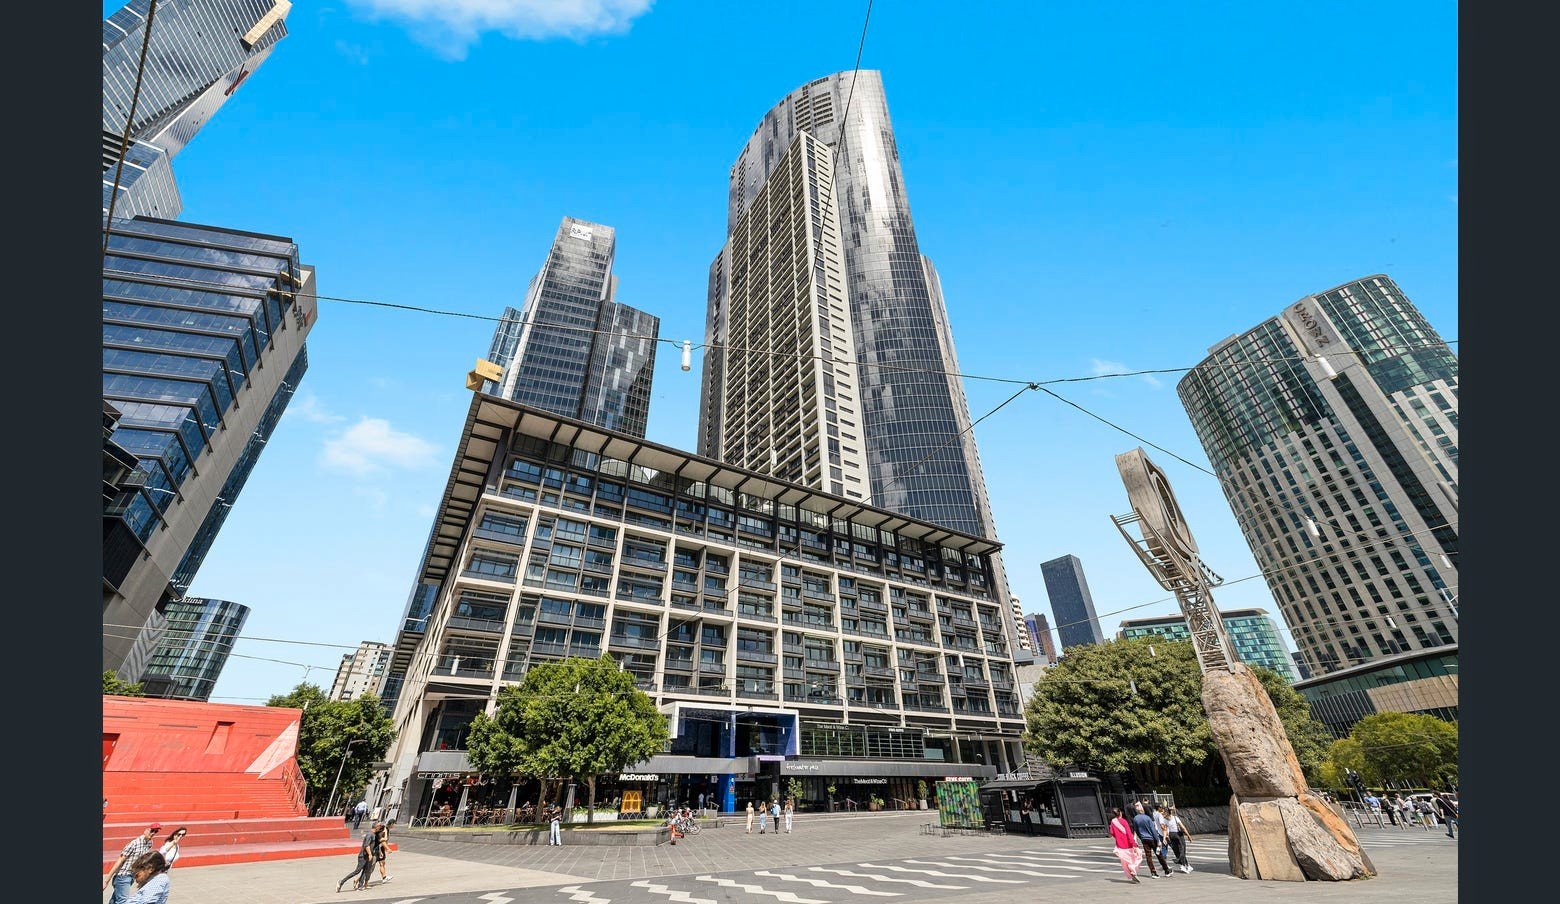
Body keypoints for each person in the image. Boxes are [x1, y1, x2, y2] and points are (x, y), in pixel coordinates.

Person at [104, 823, 161, 904]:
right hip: (123, 876)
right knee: (123, 901)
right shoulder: (134, 843)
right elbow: (120, 860)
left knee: (115, 900)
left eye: (155, 832)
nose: (153, 833)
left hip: (132, 876)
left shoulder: (149, 843)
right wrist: (106, 880)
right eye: (152, 831)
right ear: (146, 830)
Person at [337, 822, 382, 892]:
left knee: (365, 870)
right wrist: (370, 854)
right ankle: (341, 882)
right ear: (376, 827)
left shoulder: (373, 835)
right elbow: (366, 845)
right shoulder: (370, 835)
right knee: (357, 871)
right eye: (379, 826)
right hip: (363, 856)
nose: (380, 827)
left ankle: (360, 886)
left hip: (367, 856)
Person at [1132, 803, 1169, 878]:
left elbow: (1136, 830)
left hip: (1144, 839)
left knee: (1148, 856)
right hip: (1152, 839)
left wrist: (1141, 837)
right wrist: (1158, 840)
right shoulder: (1148, 818)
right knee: (1159, 854)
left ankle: (1153, 872)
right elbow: (1153, 830)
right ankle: (1166, 870)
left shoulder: (1135, 818)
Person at [1109, 807, 1143, 883]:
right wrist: (1134, 844)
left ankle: (1131, 875)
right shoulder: (1124, 821)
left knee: (1124, 863)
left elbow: (1111, 833)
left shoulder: (1113, 822)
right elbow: (1129, 834)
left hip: (1120, 846)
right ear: (1120, 813)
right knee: (1137, 858)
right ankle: (1133, 870)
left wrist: (1118, 837)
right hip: (1128, 845)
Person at [1164, 806, 1193, 873]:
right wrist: (1188, 835)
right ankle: (1182, 865)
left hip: (1171, 835)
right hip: (1178, 835)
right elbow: (1183, 827)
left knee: (1176, 850)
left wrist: (1166, 837)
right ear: (1171, 812)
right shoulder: (1175, 818)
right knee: (1182, 850)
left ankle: (1187, 865)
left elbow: (1165, 830)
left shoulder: (1165, 820)